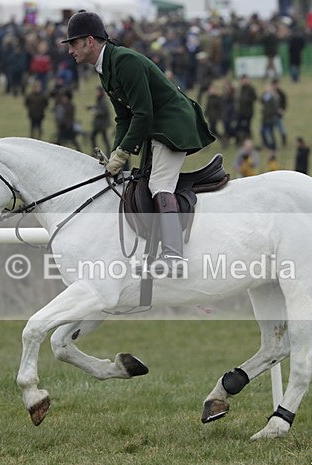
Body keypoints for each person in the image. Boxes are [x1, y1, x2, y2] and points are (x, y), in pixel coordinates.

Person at [63, 10, 215, 277]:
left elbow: (143, 114)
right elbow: (123, 118)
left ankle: (173, 255)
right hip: (155, 127)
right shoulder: (106, 68)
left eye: (72, 44)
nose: (69, 51)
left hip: (172, 124)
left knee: (160, 184)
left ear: (89, 41)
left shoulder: (124, 61)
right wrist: (114, 153)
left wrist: (122, 153)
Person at [88, 86, 111, 154]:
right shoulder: (100, 99)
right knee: (96, 137)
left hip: (102, 124)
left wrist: (96, 113)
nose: (96, 93)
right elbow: (98, 106)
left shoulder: (103, 100)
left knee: (102, 139)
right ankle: (96, 152)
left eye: (97, 91)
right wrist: (91, 107)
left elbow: (105, 111)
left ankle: (105, 153)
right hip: (99, 124)